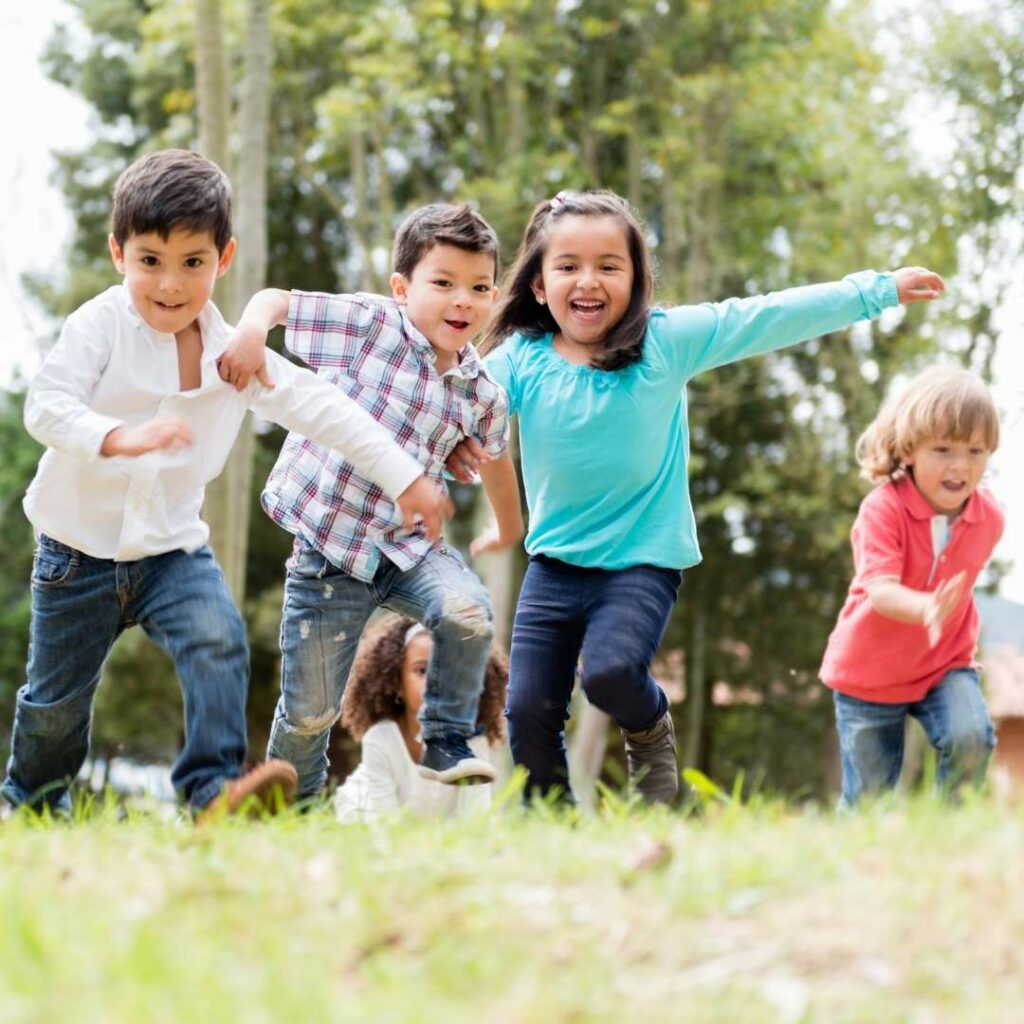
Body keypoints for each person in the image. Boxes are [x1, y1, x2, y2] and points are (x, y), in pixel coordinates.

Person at [453, 188, 945, 805]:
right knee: (527, 710)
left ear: (637, 280)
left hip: (641, 561)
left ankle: (651, 724)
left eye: (610, 266)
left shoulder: (665, 342)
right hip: (553, 566)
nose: (589, 281)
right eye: (569, 266)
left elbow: (767, 315)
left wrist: (879, 289)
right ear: (538, 286)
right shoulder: (519, 361)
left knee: (609, 674)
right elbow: (457, 405)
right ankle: (555, 823)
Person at [3, 149, 448, 820]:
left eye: (193, 263)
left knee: (219, 638)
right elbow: (47, 405)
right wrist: (118, 437)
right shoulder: (98, 326)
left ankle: (211, 793)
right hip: (76, 555)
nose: (171, 284)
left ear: (224, 257)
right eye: (150, 260)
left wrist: (406, 476)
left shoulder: (233, 356)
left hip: (170, 552)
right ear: (119, 253)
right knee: (56, 703)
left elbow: (325, 410)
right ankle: (31, 801)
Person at [217, 202, 524, 801]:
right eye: (443, 284)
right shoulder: (369, 325)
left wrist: (508, 527)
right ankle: (288, 810)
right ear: (402, 287)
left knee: (468, 612)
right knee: (311, 711)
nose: (462, 300)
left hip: (410, 549)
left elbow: (495, 459)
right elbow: (277, 301)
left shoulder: (481, 391)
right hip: (330, 551)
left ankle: (444, 735)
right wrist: (251, 333)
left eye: (479, 287)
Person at [820, 366, 1002, 807]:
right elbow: (880, 590)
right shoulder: (883, 510)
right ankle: (861, 866)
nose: (960, 465)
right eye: (943, 449)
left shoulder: (989, 518)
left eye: (975, 450)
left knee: (971, 737)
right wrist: (925, 608)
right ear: (910, 450)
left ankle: (950, 836)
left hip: (944, 663)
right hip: (869, 673)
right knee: (869, 797)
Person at [333, 614, 508, 821]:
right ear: (397, 683)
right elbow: (384, 823)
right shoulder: (381, 739)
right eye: (422, 670)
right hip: (368, 815)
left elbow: (476, 820)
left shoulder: (473, 742)